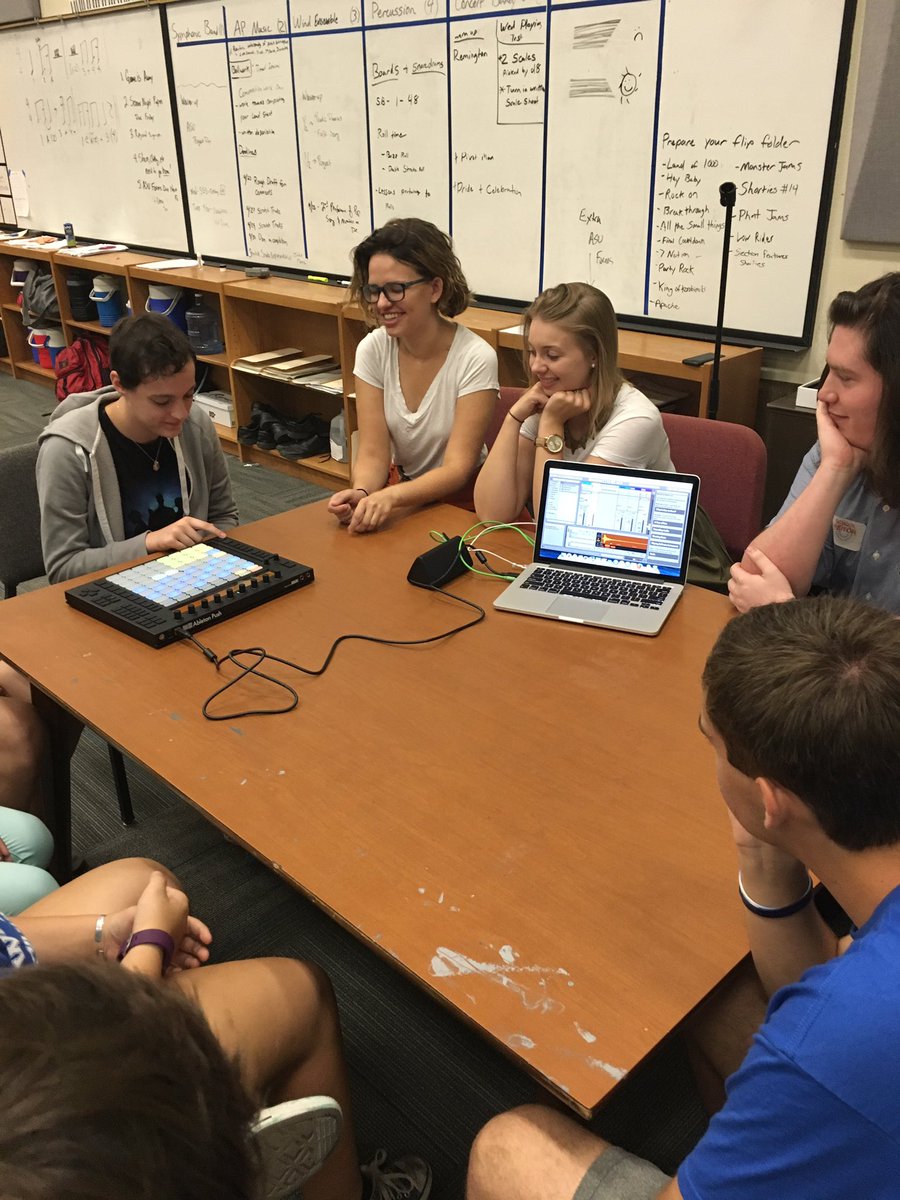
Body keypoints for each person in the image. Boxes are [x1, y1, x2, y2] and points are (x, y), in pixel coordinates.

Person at [466, 594, 900, 1200]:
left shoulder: (835, 1039)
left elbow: (842, 1022)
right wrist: (763, 858)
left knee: (508, 1148)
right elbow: (833, 978)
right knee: (716, 999)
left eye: (712, 744)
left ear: (772, 801)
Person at [0, 856, 431, 1200]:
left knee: (147, 880)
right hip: (60, 1117)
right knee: (301, 992)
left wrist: (104, 934)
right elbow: (105, 1057)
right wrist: (149, 945)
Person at [729, 272, 900, 613]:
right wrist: (836, 468)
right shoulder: (837, 452)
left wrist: (783, 612)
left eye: (846, 378)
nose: (824, 393)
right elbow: (752, 577)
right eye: (828, 372)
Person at [37, 312, 239, 584]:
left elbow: (224, 516)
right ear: (119, 384)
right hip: (113, 591)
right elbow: (63, 568)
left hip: (193, 578)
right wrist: (148, 543)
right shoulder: (66, 450)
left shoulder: (196, 425)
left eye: (188, 395)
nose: (180, 413)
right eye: (161, 401)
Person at [327, 218, 497, 533]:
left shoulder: (475, 357)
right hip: (401, 494)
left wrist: (392, 497)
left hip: (463, 503)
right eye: (374, 291)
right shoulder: (372, 350)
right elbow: (374, 452)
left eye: (395, 289)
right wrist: (363, 492)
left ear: (434, 288)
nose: (381, 303)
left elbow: (458, 468)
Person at [473, 282, 672, 524]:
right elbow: (491, 515)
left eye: (552, 355)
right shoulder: (548, 398)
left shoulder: (636, 420)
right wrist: (513, 418)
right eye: (532, 351)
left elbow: (558, 524)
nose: (536, 367)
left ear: (594, 356)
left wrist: (550, 425)